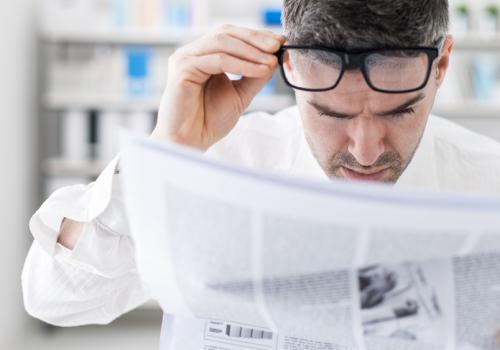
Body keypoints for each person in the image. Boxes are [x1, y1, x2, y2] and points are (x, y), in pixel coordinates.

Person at [22, 0, 500, 327]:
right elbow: (54, 298)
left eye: (400, 111)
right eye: (331, 113)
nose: (366, 150)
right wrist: (169, 150)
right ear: (288, 70)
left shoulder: (488, 178)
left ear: (441, 67)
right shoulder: (228, 161)